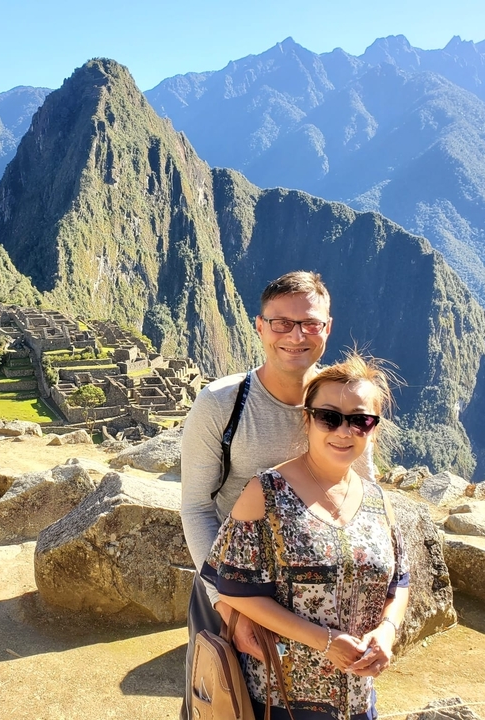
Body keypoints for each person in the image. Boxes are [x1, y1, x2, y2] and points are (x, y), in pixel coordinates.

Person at [182, 271, 366, 719]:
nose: (296, 335)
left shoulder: (344, 405)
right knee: (224, 706)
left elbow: (363, 500)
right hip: (233, 587)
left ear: (328, 328)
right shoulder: (221, 404)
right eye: (281, 323)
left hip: (321, 603)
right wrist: (227, 606)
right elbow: (196, 506)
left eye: (310, 323)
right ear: (260, 327)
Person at [201, 352, 410, 720]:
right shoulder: (266, 494)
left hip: (358, 699)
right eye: (329, 418)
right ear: (308, 419)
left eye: (359, 421)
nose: (344, 431)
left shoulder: (379, 502)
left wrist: (387, 631)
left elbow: (399, 583)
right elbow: (232, 586)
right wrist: (325, 642)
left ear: (373, 428)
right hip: (280, 697)